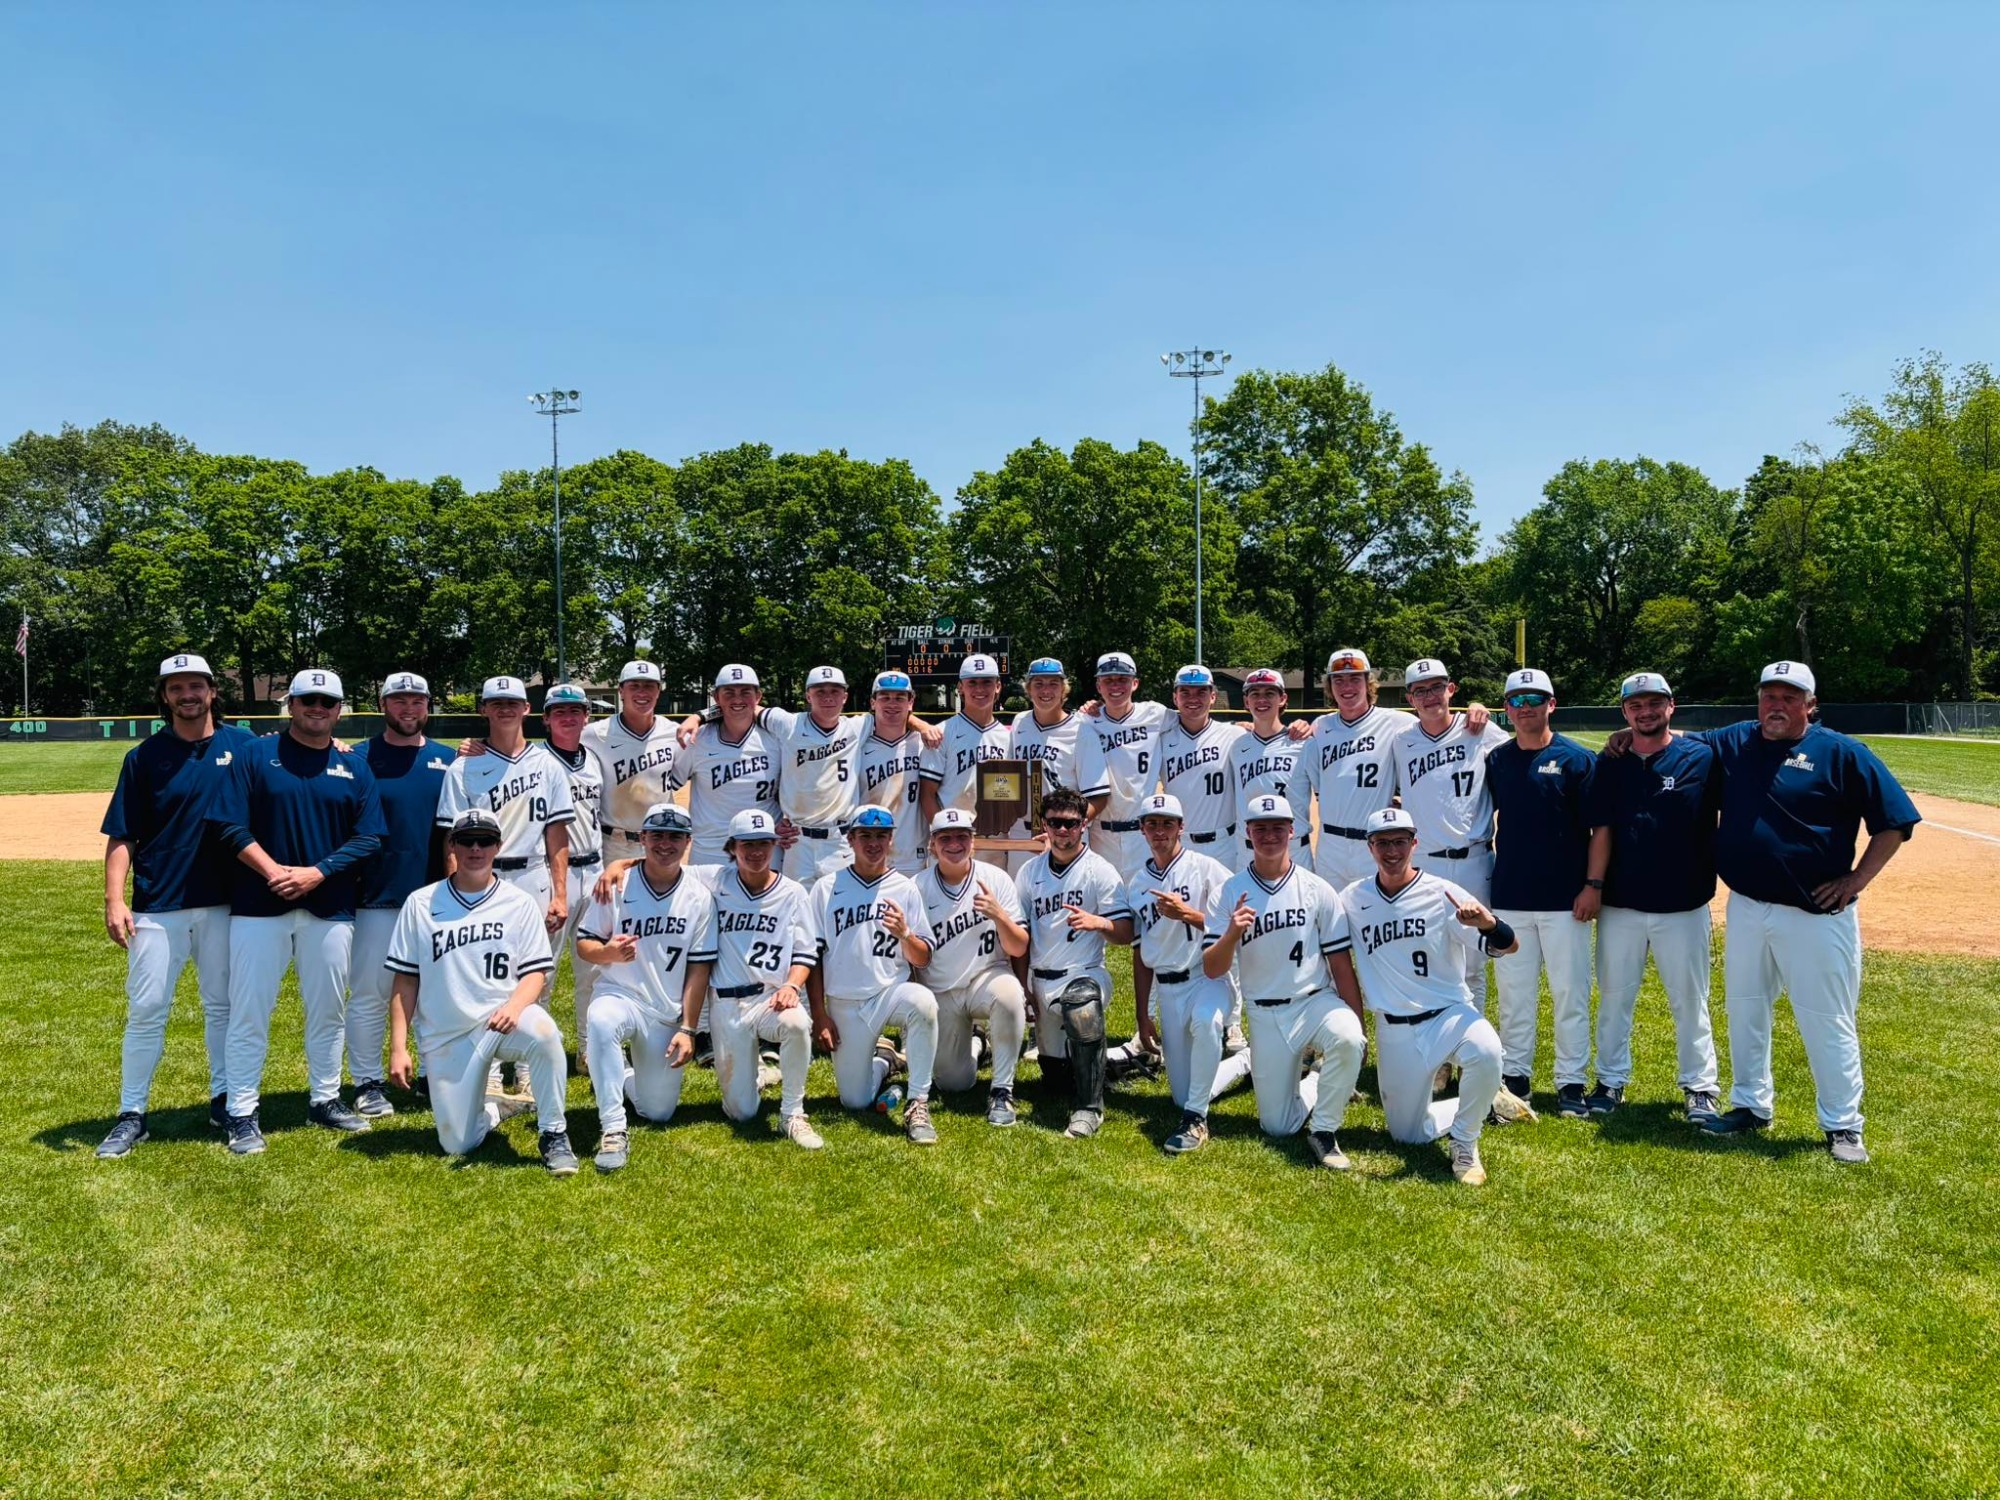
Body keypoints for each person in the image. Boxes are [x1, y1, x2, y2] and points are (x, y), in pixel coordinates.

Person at [1693, 662, 1917, 1162]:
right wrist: (1625, 736)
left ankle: (1842, 1123)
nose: (1776, 705)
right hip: (1748, 907)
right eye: (1768, 695)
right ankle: (1750, 1106)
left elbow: (1895, 822)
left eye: (1789, 697)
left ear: (1810, 705)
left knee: (1825, 1018)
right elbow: (1677, 742)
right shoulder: (1735, 740)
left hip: (1814, 914)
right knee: (1746, 1009)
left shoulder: (1841, 752)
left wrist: (1857, 879)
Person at [211, 669, 386, 1154]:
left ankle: (325, 1097)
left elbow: (370, 836)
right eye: (307, 700)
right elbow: (228, 824)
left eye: (327, 701)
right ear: (291, 704)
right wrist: (273, 871)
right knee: (250, 1011)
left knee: (327, 1009)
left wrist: (317, 872)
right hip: (258, 904)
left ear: (339, 709)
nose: (317, 708)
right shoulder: (255, 754)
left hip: (329, 906)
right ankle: (242, 1111)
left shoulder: (354, 766)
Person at [95, 652, 261, 1158]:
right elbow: (122, 835)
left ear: (213, 691)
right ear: (164, 696)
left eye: (195, 686)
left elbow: (295, 764)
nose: (186, 695)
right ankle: (131, 1113)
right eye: (176, 688)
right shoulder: (144, 758)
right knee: (146, 1010)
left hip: (226, 904)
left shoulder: (246, 747)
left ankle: (227, 1101)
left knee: (224, 1008)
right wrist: (114, 899)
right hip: (159, 904)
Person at [1340, 807, 1531, 1186]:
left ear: (1415, 843)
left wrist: (1489, 924)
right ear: (1370, 847)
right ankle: (1482, 1101)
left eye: (1399, 842)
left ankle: (1465, 1142)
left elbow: (1510, 946)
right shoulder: (1352, 899)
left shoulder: (1443, 892)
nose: (1391, 851)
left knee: (1488, 1050)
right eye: (1382, 843)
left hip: (1448, 1014)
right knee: (1407, 1136)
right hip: (1395, 1028)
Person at [385, 808, 577, 1175]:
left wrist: (517, 1006)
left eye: (485, 841)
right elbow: (405, 981)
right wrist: (398, 1047)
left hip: (503, 1019)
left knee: (546, 1034)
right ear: (452, 845)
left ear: (498, 846)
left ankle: (554, 1134)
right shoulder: (421, 903)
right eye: (467, 840)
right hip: (448, 1034)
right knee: (456, 1143)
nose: (476, 848)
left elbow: (536, 972)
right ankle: (495, 1109)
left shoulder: (518, 902)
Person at [1583, 672, 1723, 1125]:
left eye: (1654, 703)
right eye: (1635, 706)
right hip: (1621, 904)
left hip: (1683, 905)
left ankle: (1700, 1086)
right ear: (1624, 712)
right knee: (1614, 998)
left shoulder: (1701, 756)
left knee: (1689, 1000)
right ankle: (1609, 1081)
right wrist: (1595, 886)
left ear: (1671, 705)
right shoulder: (1611, 761)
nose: (1645, 712)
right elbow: (1600, 828)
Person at [1200, 794, 1366, 1168]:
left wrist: (1358, 1023)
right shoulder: (1230, 891)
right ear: (1248, 834)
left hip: (1313, 1001)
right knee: (1277, 1127)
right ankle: (1313, 1081)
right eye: (1261, 828)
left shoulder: (1316, 888)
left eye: (1278, 828)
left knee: (1348, 1037)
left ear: (1293, 831)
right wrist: (1230, 935)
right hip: (1265, 1012)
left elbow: (1340, 963)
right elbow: (1212, 968)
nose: (1269, 836)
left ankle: (1325, 1131)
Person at [434, 675, 574, 1097]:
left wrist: (560, 892)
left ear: (526, 709)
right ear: (484, 710)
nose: (506, 709)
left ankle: (530, 1069)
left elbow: (557, 833)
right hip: (481, 878)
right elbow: (450, 836)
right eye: (496, 703)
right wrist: (455, 888)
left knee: (538, 976)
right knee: (484, 976)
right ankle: (491, 1070)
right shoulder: (464, 766)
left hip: (532, 875)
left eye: (513, 702)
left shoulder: (547, 764)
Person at [574, 802, 716, 1172]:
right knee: (601, 1021)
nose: (665, 844)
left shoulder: (700, 895)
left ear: (688, 842)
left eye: (675, 836)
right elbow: (584, 945)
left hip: (665, 1011)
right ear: (643, 839)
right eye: (657, 835)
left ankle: (616, 1071)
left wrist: (688, 1028)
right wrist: (606, 952)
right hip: (620, 994)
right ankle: (613, 1128)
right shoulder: (617, 884)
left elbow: (699, 969)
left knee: (658, 1111)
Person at [1485, 667, 1599, 1118]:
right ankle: (1516, 1075)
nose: (1525, 708)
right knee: (1514, 993)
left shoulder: (1575, 759)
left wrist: (1592, 886)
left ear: (1551, 704)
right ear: (1507, 709)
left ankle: (1571, 1080)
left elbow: (1600, 829)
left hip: (1564, 897)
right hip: (1511, 893)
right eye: (1516, 700)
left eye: (1534, 700)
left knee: (1570, 991)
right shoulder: (1497, 759)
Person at [344, 671, 455, 1119]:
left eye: (417, 701)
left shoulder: (449, 759)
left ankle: (432, 1072)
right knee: (371, 993)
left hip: (435, 897)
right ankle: (367, 1081)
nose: (409, 709)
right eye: (399, 701)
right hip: (375, 895)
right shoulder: (357, 758)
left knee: (436, 992)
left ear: (428, 706)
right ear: (383, 705)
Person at [808, 806, 940, 1144]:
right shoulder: (826, 888)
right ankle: (885, 1060)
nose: (873, 843)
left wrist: (906, 934)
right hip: (845, 1002)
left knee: (923, 1003)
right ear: (850, 839)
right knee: (855, 1101)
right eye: (865, 835)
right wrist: (820, 1013)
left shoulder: (905, 888)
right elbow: (813, 956)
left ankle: (918, 1103)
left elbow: (923, 958)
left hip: (890, 994)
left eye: (881, 835)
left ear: (891, 839)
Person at [1130, 794, 1250, 1156]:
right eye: (1152, 824)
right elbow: (1139, 951)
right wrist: (1141, 1013)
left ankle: (1197, 1120)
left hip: (1206, 976)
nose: (1160, 831)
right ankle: (1247, 1061)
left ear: (1182, 827)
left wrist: (1189, 914)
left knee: (1206, 1022)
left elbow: (1236, 920)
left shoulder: (1206, 868)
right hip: (1168, 988)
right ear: (1142, 830)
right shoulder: (1136, 881)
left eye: (1168, 823)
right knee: (1181, 1095)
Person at [1013, 787, 1133, 1138]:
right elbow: (1021, 939)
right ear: (1045, 826)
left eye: (1070, 824)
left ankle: (1089, 1109)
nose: (1062, 831)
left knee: (1082, 1008)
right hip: (1043, 980)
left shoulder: (1099, 870)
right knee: (1056, 1082)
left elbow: (1126, 932)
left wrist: (1102, 923)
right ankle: (1106, 1065)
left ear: (1083, 825)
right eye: (1055, 823)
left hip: (1085, 974)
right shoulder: (1029, 872)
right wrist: (1024, 987)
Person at [1387, 658, 1509, 1004]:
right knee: (1426, 956)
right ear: (1410, 699)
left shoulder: (1480, 730)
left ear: (1450, 689)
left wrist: (1480, 708)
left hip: (1474, 861)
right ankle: (1436, 1049)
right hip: (1425, 862)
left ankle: (1473, 1046)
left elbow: (1521, 753)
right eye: (1420, 691)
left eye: (1437, 687)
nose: (1429, 697)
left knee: (1473, 962)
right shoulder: (1401, 742)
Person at [701, 808, 823, 1148]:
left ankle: (792, 1113)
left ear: (774, 845)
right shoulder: (715, 880)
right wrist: (618, 865)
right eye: (747, 844)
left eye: (764, 844)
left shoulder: (794, 892)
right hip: (726, 1003)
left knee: (798, 1022)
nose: (756, 852)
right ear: (732, 847)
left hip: (770, 997)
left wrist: (792, 984)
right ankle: (757, 1074)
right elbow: (664, 868)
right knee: (742, 1112)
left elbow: (805, 952)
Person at [914, 806, 1030, 1126]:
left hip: (985, 978)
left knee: (1009, 995)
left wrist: (999, 915)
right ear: (933, 844)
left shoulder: (995, 880)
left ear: (973, 842)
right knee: (953, 1084)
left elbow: (1019, 945)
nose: (954, 844)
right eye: (945, 838)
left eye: (962, 837)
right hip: (941, 989)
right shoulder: (918, 887)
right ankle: (978, 1043)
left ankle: (1002, 1091)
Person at [1285, 649, 1416, 892]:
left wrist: (1474, 708)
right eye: (1339, 680)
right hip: (1330, 845)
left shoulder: (1398, 722)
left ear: (1368, 683)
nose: (1347, 686)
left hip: (1375, 842)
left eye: (1355, 678)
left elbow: (1436, 732)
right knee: (1332, 921)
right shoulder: (1321, 727)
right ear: (1329, 686)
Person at [669, 663, 784, 868]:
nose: (737, 699)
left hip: (764, 844)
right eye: (729, 692)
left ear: (758, 697)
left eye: (745, 692)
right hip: (711, 849)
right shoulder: (697, 740)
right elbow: (666, 787)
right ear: (716, 697)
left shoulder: (776, 738)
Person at [1007, 658, 1112, 871]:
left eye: (1053, 683)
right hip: (1021, 834)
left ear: (1064, 689)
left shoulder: (1082, 731)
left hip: (1065, 836)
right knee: (1020, 902)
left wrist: (1067, 829)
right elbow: (1009, 781)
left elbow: (1099, 796)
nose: (1046, 690)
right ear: (1028, 689)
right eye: (1039, 684)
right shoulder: (1019, 723)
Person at [1080, 651, 1169, 890]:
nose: (1115, 686)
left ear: (1135, 683)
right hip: (1101, 833)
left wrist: (1247, 725)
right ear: (1098, 685)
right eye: (1108, 680)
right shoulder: (1087, 721)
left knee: (1147, 906)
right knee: (1105, 906)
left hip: (1144, 834)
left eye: (1122, 679)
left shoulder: (1155, 714)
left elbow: (1196, 720)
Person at [920, 653, 1014, 871]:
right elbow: (927, 793)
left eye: (986, 682)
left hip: (995, 840)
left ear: (998, 686)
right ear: (960, 687)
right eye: (972, 683)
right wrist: (942, 833)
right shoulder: (944, 732)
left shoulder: (1009, 736)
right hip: (952, 840)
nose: (979, 689)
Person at [581, 660, 678, 867]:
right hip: (613, 843)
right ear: (621, 691)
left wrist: (699, 717)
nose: (642, 693)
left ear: (658, 691)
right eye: (634, 686)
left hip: (661, 841)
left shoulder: (673, 733)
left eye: (649, 686)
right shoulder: (595, 734)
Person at [1228, 668, 1309, 870]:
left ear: (1282, 698)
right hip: (1248, 851)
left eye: (1269, 693)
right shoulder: (1236, 745)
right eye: (1254, 694)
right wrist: (1232, 724)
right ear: (1246, 702)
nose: (1261, 699)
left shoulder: (1303, 743)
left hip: (1295, 849)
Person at [851, 670, 930, 875]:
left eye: (899, 698)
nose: (892, 704)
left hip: (914, 854)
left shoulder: (925, 744)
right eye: (884, 697)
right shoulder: (857, 746)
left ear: (910, 702)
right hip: (868, 852)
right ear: (872, 702)